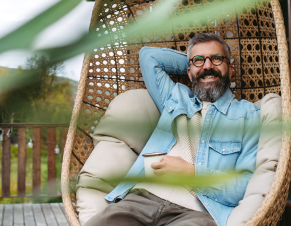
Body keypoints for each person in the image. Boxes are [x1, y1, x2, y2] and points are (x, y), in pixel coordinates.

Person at [85, 32, 261, 226]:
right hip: (141, 199)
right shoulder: (176, 96)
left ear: (231, 70)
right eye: (199, 61)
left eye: (217, 59)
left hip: (197, 212)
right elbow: (148, 57)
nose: (208, 66)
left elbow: (244, 186)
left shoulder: (249, 115)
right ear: (188, 72)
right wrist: (196, 64)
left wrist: (190, 172)